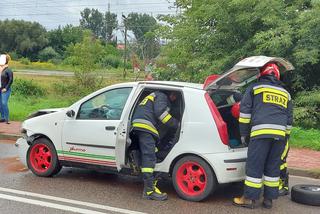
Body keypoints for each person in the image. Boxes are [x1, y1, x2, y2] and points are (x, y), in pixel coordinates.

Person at [233, 63, 293, 209]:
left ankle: (249, 199)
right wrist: (285, 136)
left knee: (255, 166)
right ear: (277, 75)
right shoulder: (285, 93)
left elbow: (245, 113)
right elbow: (289, 119)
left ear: (262, 74)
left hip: (260, 133)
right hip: (279, 135)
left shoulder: (255, 88)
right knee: (273, 167)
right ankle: (268, 200)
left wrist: (244, 134)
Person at [131, 90, 179, 201]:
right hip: (146, 125)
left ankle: (144, 178)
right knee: (149, 157)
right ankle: (149, 191)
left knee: (149, 153)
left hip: (140, 124)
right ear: (171, 94)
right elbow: (161, 114)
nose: (174, 99)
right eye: (174, 96)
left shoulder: (154, 95)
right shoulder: (162, 96)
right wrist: (177, 124)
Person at [0, 54, 13, 124]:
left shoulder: (8, 70)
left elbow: (11, 80)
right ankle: (2, 118)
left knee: (4, 103)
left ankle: (7, 119)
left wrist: (6, 88)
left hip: (5, 90)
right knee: (0, 104)